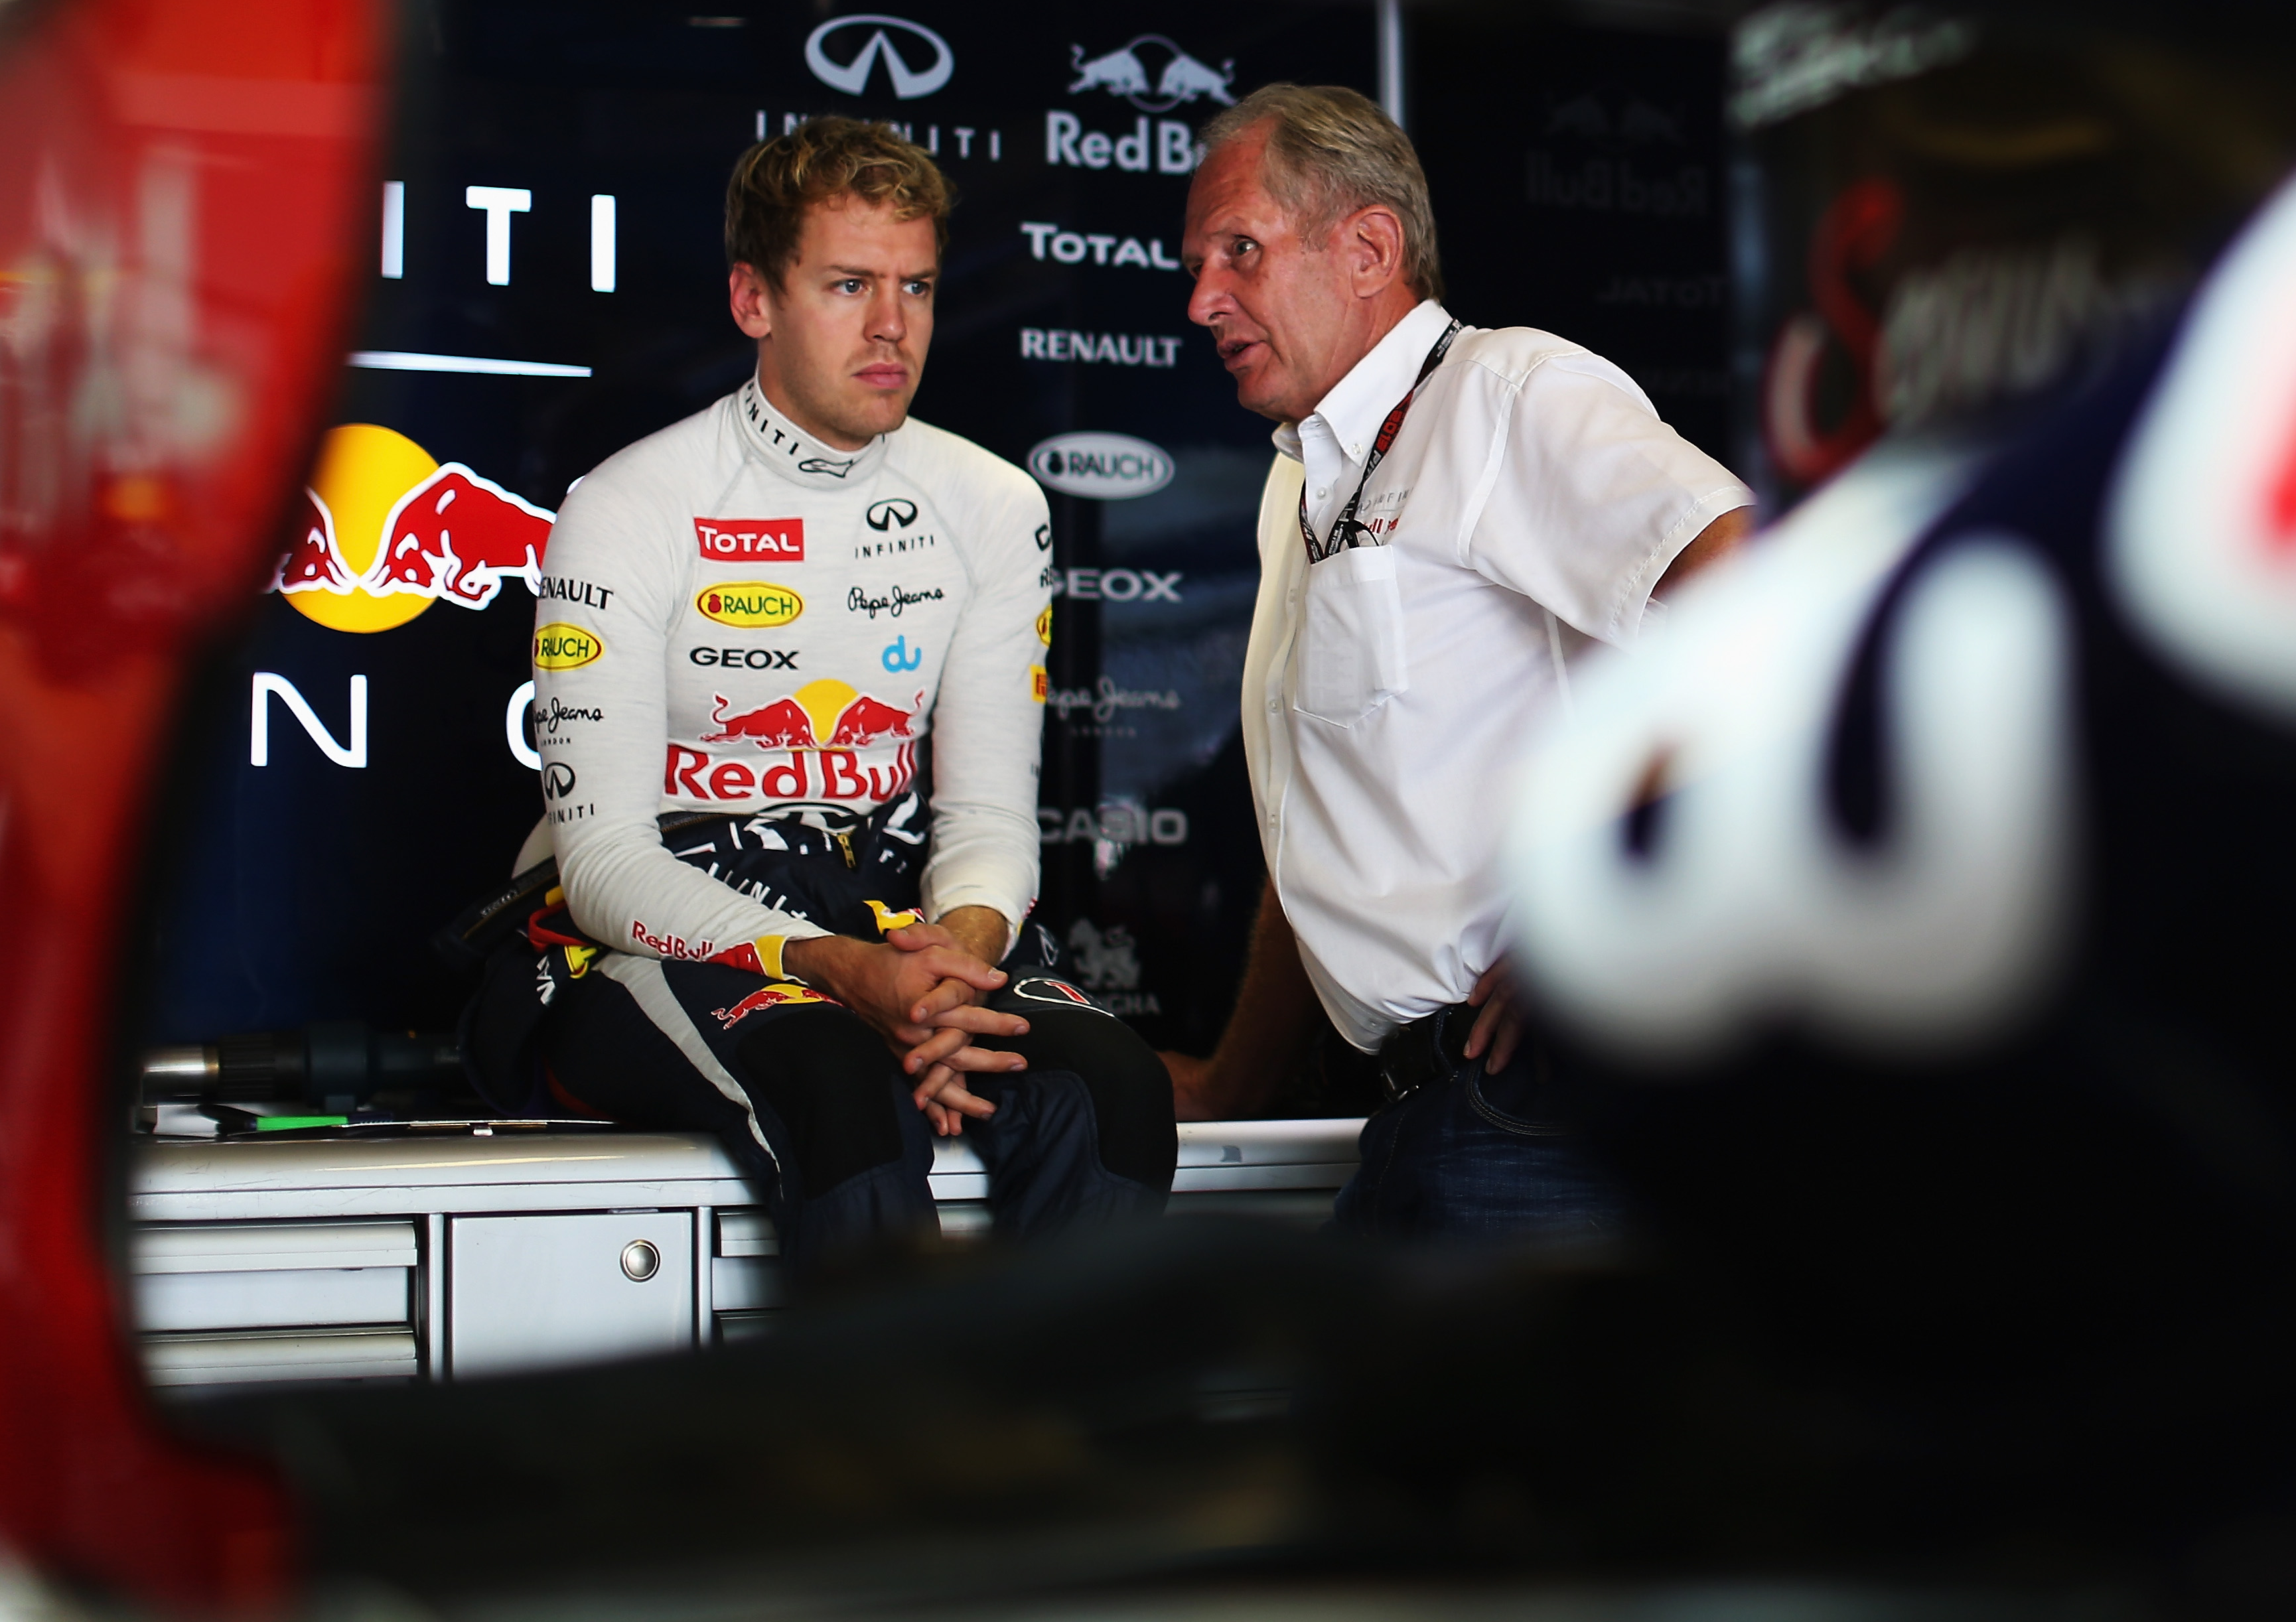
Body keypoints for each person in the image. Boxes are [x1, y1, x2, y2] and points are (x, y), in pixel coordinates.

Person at [519, 117, 1174, 1266]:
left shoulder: (991, 504)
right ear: (754, 300)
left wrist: (950, 969)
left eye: (916, 287)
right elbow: (606, 866)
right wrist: (839, 971)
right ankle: (885, 1395)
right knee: (840, 1085)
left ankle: (1054, 1390)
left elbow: (986, 820)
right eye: (849, 285)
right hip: (661, 929)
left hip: (888, 916)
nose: (892, 326)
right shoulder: (625, 506)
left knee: (1113, 1089)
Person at [1166, 81, 1751, 1237]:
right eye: (1196, 265)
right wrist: (1231, 1086)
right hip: (1422, 1116)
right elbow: (1324, 837)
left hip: (1547, 1106)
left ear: (1369, 249)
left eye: (1240, 251)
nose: (1202, 300)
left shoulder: (1504, 392)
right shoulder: (1300, 484)